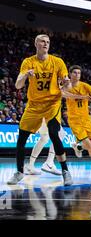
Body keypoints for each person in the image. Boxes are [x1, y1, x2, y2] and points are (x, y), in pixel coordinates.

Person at [7, 34, 73, 186]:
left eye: (48, 42)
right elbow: (18, 85)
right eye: (43, 41)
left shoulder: (57, 62)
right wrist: (25, 75)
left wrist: (66, 83)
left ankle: (65, 171)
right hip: (34, 105)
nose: (46, 44)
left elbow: (67, 86)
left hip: (52, 104)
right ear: (36, 43)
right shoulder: (28, 62)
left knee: (53, 134)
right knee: (21, 139)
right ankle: (19, 171)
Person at [65, 65, 91, 175]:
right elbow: (66, 94)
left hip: (86, 120)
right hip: (74, 120)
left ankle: (77, 146)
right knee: (88, 145)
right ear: (70, 74)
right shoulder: (66, 85)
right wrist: (83, 97)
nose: (77, 75)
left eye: (79, 73)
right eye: (75, 73)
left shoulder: (85, 86)